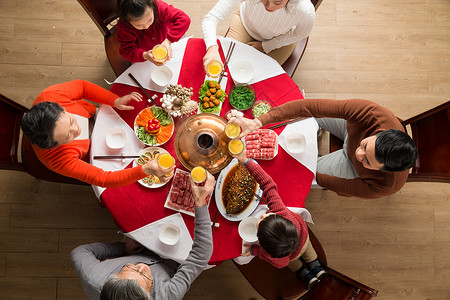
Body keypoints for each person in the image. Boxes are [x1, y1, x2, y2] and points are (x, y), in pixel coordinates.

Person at [230, 99, 418, 199]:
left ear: (381, 170)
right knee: (312, 113)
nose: (358, 153)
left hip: (351, 169)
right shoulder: (373, 114)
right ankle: (317, 131)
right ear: (378, 133)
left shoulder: (387, 185)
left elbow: (341, 187)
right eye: (365, 145)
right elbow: (310, 106)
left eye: (368, 161)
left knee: (302, 174)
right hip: (349, 130)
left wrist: (305, 171)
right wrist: (258, 122)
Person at [70, 172, 215, 300]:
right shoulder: (167, 296)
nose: (142, 266)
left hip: (138, 245)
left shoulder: (94, 278)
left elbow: (79, 252)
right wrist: (200, 202)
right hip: (174, 260)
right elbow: (199, 256)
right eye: (146, 277)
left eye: (128, 269)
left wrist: (122, 249)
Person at [20, 80, 174, 187]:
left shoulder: (50, 96)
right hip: (97, 150)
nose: (77, 130)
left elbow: (83, 87)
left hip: (98, 116)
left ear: (59, 107)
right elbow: (104, 178)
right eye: (68, 136)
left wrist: (115, 100)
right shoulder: (57, 160)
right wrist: (146, 169)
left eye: (71, 121)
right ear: (55, 146)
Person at [232, 147, 325, 289]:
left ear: (261, 241)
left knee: (293, 263)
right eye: (267, 217)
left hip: (290, 256)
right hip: (304, 239)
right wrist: (246, 161)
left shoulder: (272, 254)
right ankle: (315, 265)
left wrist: (252, 251)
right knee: (308, 251)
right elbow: (268, 184)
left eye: (260, 222)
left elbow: (282, 263)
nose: (263, 215)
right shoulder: (281, 211)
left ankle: (303, 271)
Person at [202, 0, 315, 70]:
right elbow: (212, 18)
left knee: (261, 77)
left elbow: (302, 33)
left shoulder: (305, 9)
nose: (269, 6)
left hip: (280, 38)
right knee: (228, 66)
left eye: (277, 2)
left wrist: (266, 46)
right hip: (245, 25)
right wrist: (212, 47)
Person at [116, 0, 191, 65]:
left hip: (166, 38)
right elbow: (126, 50)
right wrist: (145, 55)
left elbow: (184, 19)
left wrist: (168, 41)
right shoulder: (124, 27)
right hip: (144, 50)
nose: (146, 26)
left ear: (152, 6)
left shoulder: (160, 7)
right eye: (138, 25)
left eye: (150, 20)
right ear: (126, 20)